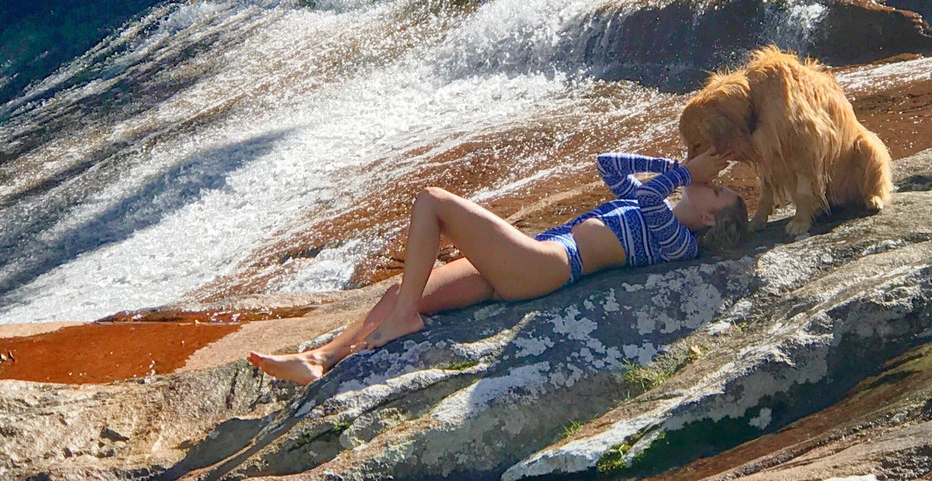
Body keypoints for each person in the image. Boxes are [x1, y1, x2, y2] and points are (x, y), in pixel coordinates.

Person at [249, 149, 747, 384]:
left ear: (709, 217)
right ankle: (321, 360)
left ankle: (401, 321)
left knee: (433, 201)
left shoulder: (680, 242)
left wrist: (684, 172)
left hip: (551, 265)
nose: (711, 182)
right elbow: (608, 164)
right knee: (404, 290)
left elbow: (654, 202)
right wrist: (675, 167)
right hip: (531, 255)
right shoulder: (655, 200)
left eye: (718, 190)